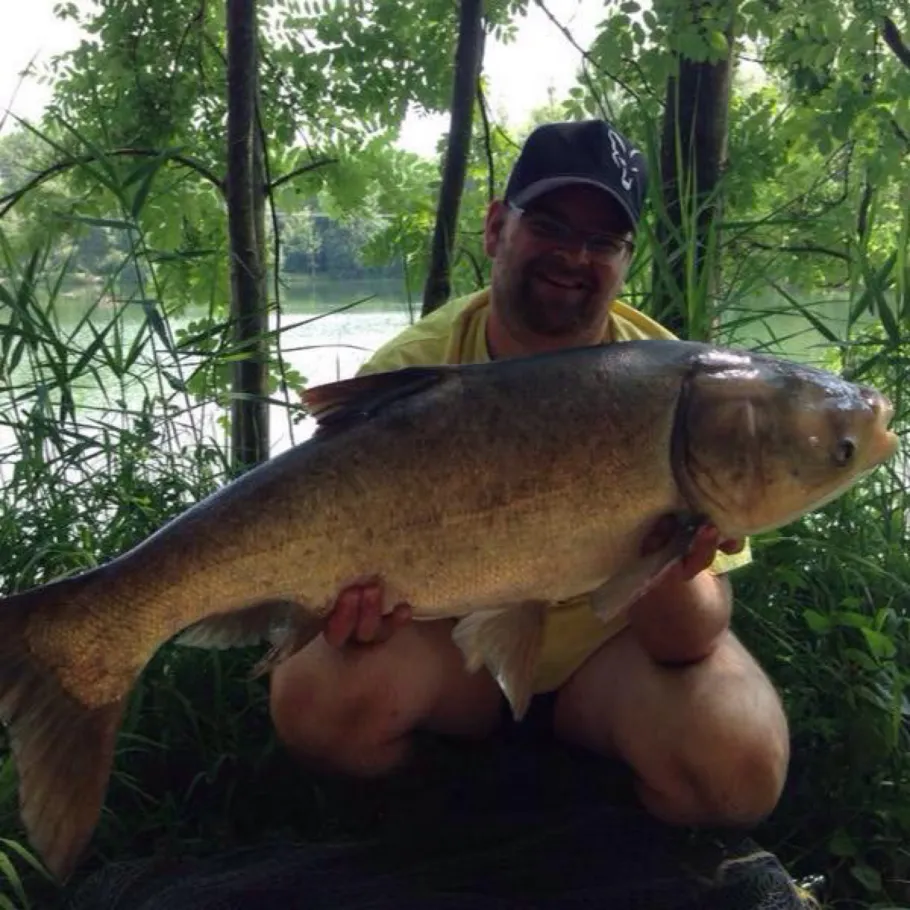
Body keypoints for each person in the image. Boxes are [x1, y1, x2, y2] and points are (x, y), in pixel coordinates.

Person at [269, 119, 790, 833]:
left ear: (625, 259)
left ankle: (579, 833)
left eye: (602, 241)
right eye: (548, 223)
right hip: (452, 653)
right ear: (495, 228)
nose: (574, 255)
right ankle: (456, 821)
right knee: (317, 702)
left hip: (605, 661)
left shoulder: (689, 389)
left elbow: (686, 641)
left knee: (738, 767)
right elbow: (338, 588)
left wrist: (673, 565)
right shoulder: (411, 366)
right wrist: (349, 614)